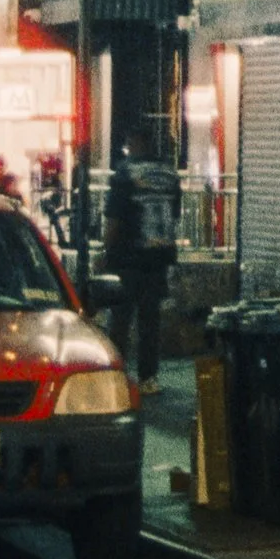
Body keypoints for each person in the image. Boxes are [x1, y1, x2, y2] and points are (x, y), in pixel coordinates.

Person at [101, 152, 182, 386]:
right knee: (150, 321)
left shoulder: (125, 174)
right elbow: (174, 215)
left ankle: (117, 374)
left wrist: (106, 252)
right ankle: (148, 377)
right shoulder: (169, 174)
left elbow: (114, 219)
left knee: (120, 319)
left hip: (127, 258)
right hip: (158, 258)